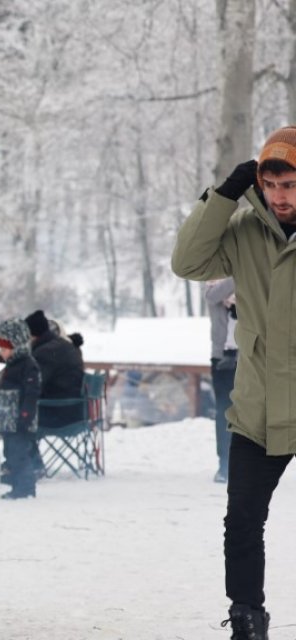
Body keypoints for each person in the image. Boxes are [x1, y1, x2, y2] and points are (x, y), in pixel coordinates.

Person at [171, 126, 296, 639]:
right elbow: (188, 263)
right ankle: (247, 613)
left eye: (289, 184)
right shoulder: (244, 228)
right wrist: (222, 197)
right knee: (242, 521)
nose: (281, 196)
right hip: (259, 407)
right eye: (271, 185)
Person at [0, 318, 41, 500]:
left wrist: (25, 416)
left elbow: (31, 394)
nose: (2, 353)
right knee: (11, 454)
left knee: (20, 455)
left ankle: (26, 488)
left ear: (17, 346)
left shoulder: (28, 366)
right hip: (9, 423)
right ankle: (17, 486)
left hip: (21, 422)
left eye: (4, 349)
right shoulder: (11, 366)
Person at [24, 309, 85, 430]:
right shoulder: (63, 345)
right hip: (75, 411)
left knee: (18, 415)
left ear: (32, 335)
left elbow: (34, 384)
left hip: (58, 414)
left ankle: (23, 449)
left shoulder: (45, 352)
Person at [205, 278, 237, 484]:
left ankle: (248, 463)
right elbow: (212, 296)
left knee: (251, 413)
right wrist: (238, 276)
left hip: (250, 356)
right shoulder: (213, 278)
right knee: (224, 412)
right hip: (222, 356)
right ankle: (224, 464)